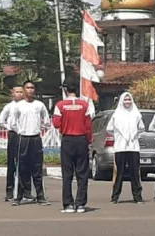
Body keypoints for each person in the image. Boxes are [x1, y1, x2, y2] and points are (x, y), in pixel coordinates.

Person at [53, 77, 92, 214]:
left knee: (67, 173)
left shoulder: (60, 105)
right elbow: (88, 126)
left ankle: (68, 204)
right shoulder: (84, 105)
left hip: (68, 140)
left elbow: (56, 123)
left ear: (65, 89)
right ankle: (80, 204)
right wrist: (89, 141)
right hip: (81, 140)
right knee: (82, 173)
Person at [10, 80, 51, 206]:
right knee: (22, 169)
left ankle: (41, 196)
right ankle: (18, 197)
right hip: (23, 139)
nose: (30, 90)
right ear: (23, 90)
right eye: (27, 88)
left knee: (37, 169)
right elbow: (13, 123)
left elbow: (47, 121)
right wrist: (21, 131)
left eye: (32, 88)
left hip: (36, 139)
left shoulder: (39, 105)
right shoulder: (18, 106)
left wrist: (38, 128)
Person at [107, 92, 145, 204]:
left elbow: (141, 128)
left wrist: (135, 135)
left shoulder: (136, 114)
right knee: (119, 173)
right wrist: (118, 136)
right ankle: (115, 197)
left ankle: (137, 196)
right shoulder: (116, 115)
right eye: (125, 100)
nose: (127, 102)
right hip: (120, 147)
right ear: (121, 101)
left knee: (135, 173)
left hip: (133, 147)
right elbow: (109, 129)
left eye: (129, 100)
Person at [0, 85, 33, 202]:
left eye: (21, 92)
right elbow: (0, 122)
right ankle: (10, 192)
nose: (20, 94)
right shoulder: (9, 107)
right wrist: (11, 128)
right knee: (12, 164)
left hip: (26, 136)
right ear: (13, 94)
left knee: (26, 163)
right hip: (14, 135)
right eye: (17, 92)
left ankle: (27, 192)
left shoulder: (28, 105)